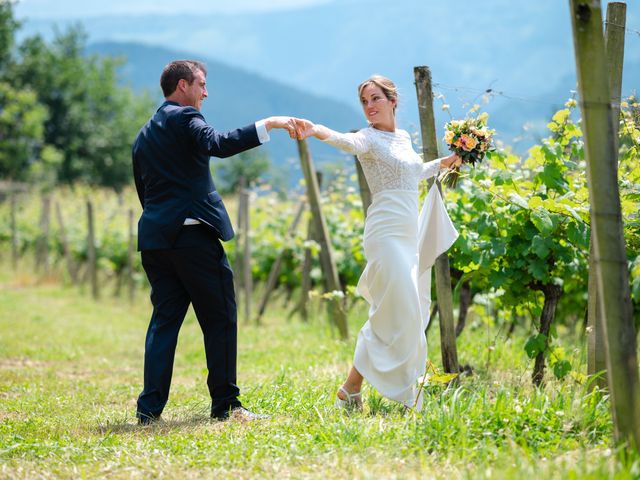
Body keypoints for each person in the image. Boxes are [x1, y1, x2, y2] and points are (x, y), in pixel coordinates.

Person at [132, 60, 300, 424]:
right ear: (182, 86)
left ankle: (149, 410)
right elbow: (218, 144)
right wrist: (267, 124)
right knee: (221, 318)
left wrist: (164, 224)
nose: (206, 93)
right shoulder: (185, 118)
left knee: (164, 323)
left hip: (156, 240)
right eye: (202, 85)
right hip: (192, 237)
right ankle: (226, 405)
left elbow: (143, 190)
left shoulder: (144, 133)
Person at [295, 75, 460, 411]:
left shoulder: (403, 137)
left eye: (375, 99)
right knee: (395, 308)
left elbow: (411, 174)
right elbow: (345, 141)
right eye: (365, 101)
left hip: (408, 232)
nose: (370, 107)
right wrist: (316, 129)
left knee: (407, 310)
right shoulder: (366, 139)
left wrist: (442, 164)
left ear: (393, 101)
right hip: (384, 233)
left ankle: (350, 389)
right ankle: (404, 393)